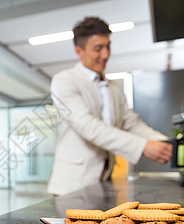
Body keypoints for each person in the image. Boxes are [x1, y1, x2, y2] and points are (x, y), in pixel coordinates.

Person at [48, 17, 173, 196]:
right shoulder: (64, 81)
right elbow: (88, 126)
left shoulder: (114, 87)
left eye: (108, 46)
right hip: (72, 185)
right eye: (98, 48)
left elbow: (132, 123)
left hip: (104, 181)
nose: (105, 54)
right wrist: (143, 146)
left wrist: (167, 143)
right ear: (78, 51)